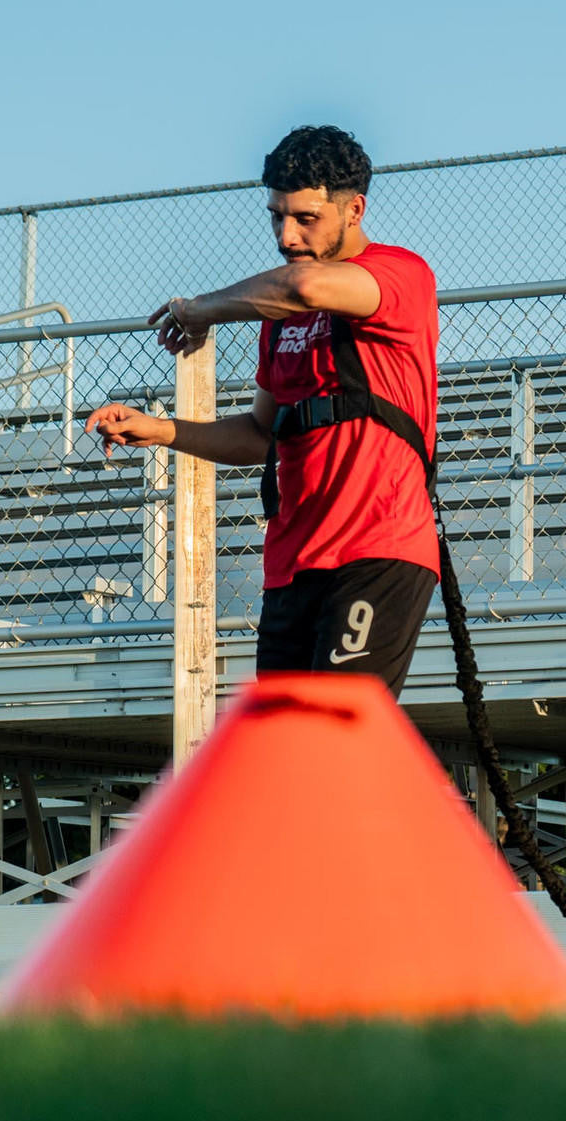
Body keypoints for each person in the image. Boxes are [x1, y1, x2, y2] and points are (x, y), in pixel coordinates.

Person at [87, 125, 439, 698]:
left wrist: (200, 309)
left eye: (305, 218)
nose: (286, 234)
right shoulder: (279, 318)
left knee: (336, 744)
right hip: (293, 564)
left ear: (355, 209)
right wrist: (163, 431)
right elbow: (258, 435)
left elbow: (304, 286)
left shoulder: (400, 275)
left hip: (376, 549)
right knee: (284, 756)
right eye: (276, 216)